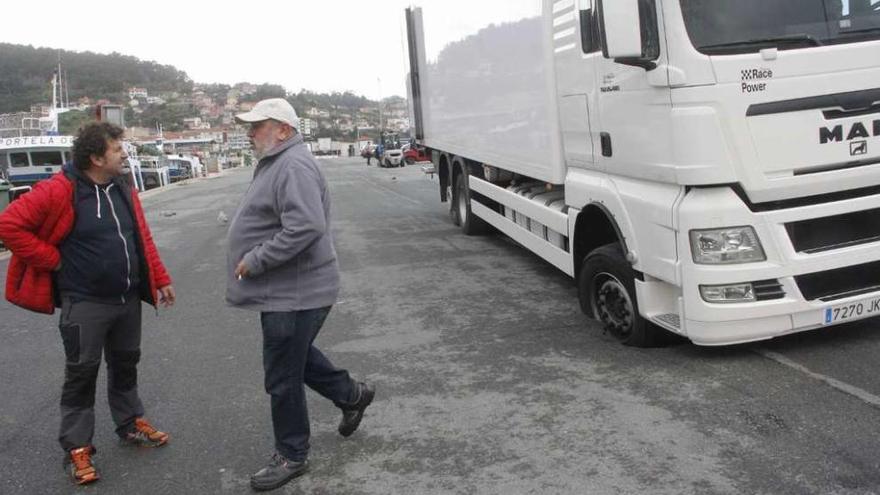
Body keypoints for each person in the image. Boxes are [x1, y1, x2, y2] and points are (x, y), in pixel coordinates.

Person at [0, 122, 176, 485]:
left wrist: (160, 278)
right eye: (117, 150)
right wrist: (54, 260)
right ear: (96, 157)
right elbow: (8, 224)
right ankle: (77, 447)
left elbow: (140, 236)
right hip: (85, 303)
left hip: (127, 298)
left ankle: (129, 423)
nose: (124, 154)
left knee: (126, 364)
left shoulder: (124, 187)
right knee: (81, 375)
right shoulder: (59, 190)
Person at [226, 98, 375, 492]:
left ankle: (292, 454)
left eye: (258, 125)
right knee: (295, 358)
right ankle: (352, 395)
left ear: (284, 130)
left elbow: (306, 226)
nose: (250, 132)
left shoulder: (292, 165)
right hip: (289, 290)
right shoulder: (279, 161)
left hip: (295, 292)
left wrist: (256, 259)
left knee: (282, 374)